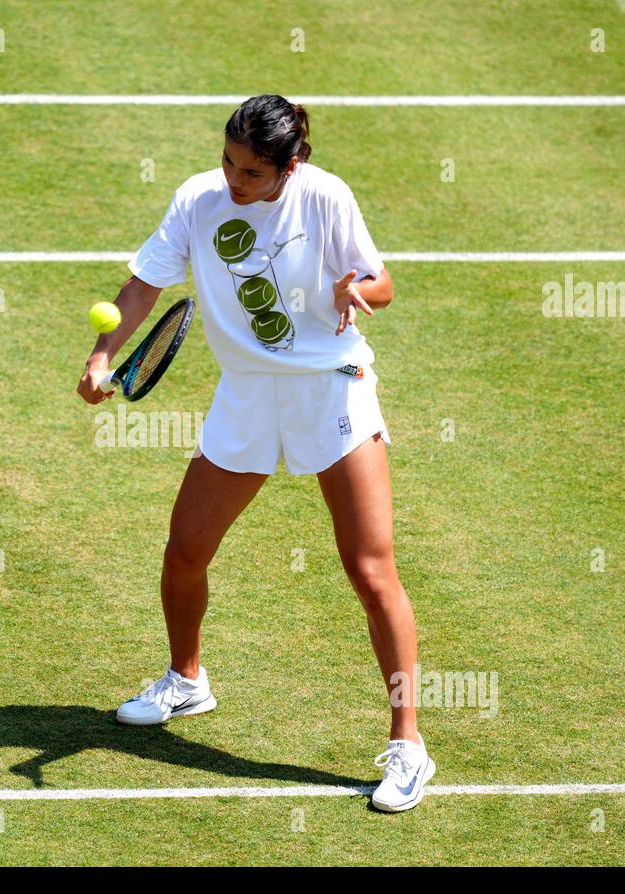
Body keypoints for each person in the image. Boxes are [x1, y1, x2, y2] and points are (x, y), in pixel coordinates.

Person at [76, 94, 434, 812]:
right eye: (228, 163)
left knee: (370, 570)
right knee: (185, 551)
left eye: (251, 173)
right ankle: (187, 680)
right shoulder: (198, 199)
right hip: (245, 392)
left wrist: (357, 290)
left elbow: (382, 282)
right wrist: (101, 354)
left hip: (330, 387)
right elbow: (144, 284)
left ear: (288, 167)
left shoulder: (325, 196)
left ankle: (408, 746)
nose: (234, 181)